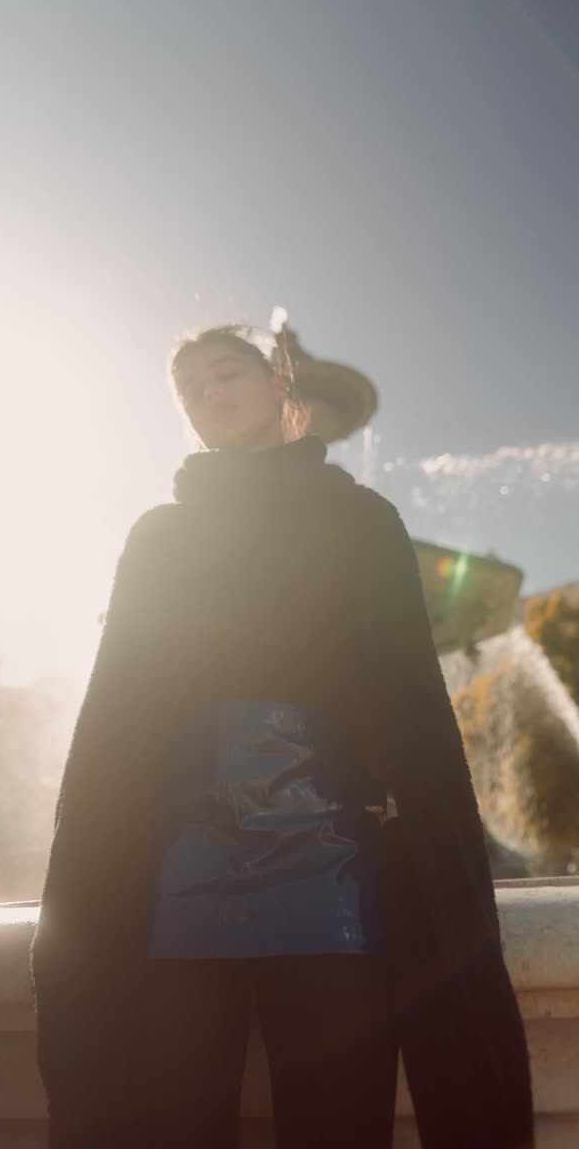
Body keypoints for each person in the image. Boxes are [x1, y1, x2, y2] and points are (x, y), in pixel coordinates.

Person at [32, 325, 534, 1148]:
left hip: (336, 889)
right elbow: (113, 727)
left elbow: (411, 700)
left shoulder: (363, 519)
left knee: (339, 1125)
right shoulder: (158, 537)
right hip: (179, 890)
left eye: (227, 371)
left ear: (279, 385)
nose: (210, 391)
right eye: (191, 388)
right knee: (171, 1125)